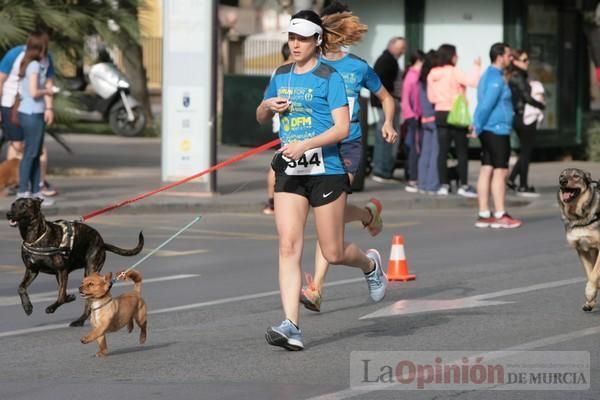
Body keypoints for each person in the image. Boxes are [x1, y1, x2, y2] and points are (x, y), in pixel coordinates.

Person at [256, 10, 387, 351]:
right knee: (288, 246)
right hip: (291, 170)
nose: (295, 44)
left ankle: (370, 264)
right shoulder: (281, 73)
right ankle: (291, 325)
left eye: (302, 38)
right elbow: (259, 114)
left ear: (317, 40)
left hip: (325, 168)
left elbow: (342, 128)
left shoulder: (330, 77)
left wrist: (306, 144)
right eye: (291, 37)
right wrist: (268, 105)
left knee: (333, 250)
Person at [299, 1, 399, 313]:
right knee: (327, 214)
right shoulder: (310, 65)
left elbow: (385, 97)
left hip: (349, 144)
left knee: (327, 213)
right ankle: (368, 214)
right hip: (319, 144)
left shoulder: (357, 67)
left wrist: (387, 122)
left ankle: (315, 287)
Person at [0, 31, 57, 198]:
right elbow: (1, 79)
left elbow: (48, 80)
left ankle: (37, 184)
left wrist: (49, 108)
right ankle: (17, 183)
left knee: (36, 148)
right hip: (11, 102)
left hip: (33, 107)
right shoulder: (16, 55)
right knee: (18, 146)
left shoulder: (46, 59)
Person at [473, 42, 521, 229]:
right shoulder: (496, 78)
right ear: (499, 56)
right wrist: (477, 124)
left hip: (489, 128)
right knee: (501, 171)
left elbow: (482, 104)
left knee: (487, 168)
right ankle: (500, 213)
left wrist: (477, 124)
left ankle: (485, 214)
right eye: (509, 55)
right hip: (496, 129)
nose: (511, 58)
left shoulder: (489, 75)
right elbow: (486, 104)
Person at [427, 44, 480, 197]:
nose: (457, 57)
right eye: (456, 55)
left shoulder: (432, 73)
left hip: (440, 113)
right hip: (457, 114)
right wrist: (476, 67)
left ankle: (443, 185)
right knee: (461, 151)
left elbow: (431, 97)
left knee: (442, 152)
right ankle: (463, 185)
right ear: (451, 56)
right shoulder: (454, 71)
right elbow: (473, 82)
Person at [14, 32, 54, 202]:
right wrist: (48, 91)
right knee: (31, 153)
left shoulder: (32, 64)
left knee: (35, 152)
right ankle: (24, 191)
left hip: (32, 112)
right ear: (41, 47)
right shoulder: (35, 66)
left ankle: (35, 192)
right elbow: (33, 91)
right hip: (32, 113)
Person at [506, 49, 545, 198]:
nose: (527, 62)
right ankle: (523, 185)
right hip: (524, 117)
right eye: (524, 60)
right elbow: (527, 97)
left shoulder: (518, 76)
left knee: (525, 151)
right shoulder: (517, 76)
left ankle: (512, 180)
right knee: (526, 152)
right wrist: (541, 106)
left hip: (520, 117)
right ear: (515, 62)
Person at [370, 36, 406, 183]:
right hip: (386, 104)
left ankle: (383, 170)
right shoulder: (387, 61)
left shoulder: (388, 60)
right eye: (400, 47)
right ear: (392, 46)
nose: (403, 51)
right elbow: (381, 86)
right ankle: (381, 170)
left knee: (386, 137)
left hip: (385, 103)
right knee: (386, 137)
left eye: (403, 48)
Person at [263, 42, 292, 215]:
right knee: (278, 164)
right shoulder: (284, 71)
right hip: (284, 124)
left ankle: (275, 201)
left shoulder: (278, 69)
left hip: (284, 123)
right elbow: (268, 98)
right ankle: (272, 202)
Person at [401, 50, 425, 193]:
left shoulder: (414, 75)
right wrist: (412, 115)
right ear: (420, 61)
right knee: (415, 149)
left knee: (415, 148)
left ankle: (414, 177)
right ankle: (413, 179)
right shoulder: (412, 76)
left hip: (416, 116)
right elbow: (406, 99)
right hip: (414, 117)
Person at [417, 50, 440, 194]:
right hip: (435, 117)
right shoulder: (434, 78)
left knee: (425, 152)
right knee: (435, 153)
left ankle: (422, 183)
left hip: (424, 118)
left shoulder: (422, 78)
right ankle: (432, 184)